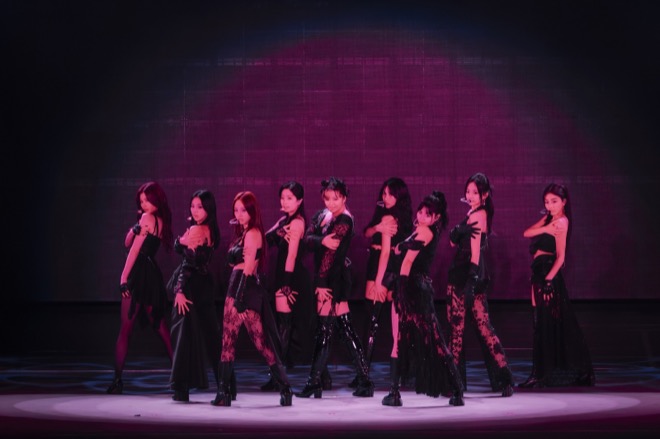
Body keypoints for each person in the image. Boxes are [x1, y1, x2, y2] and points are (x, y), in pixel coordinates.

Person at [295, 177, 374, 399]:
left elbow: (329, 256)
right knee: (344, 329)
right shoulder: (322, 215)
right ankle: (364, 381)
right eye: (327, 198)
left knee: (325, 331)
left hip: (333, 279)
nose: (331, 202)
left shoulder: (345, 220)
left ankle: (314, 382)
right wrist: (320, 240)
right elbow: (305, 240)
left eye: (336, 198)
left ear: (344, 198)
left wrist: (321, 284)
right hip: (328, 277)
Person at [212, 191, 293, 407]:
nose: (239, 214)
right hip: (239, 286)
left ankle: (225, 393)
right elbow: (235, 263)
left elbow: (248, 268)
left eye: (243, 210)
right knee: (242, 342)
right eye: (236, 210)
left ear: (252, 211)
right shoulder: (246, 232)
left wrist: (239, 297)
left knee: (246, 342)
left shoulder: (253, 233)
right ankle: (283, 389)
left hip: (242, 287)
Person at [385, 190, 464, 407]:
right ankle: (395, 392)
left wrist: (401, 289)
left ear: (436, 217)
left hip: (413, 289)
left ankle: (396, 393)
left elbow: (408, 262)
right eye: (420, 211)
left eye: (427, 214)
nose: (421, 215)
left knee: (430, 339)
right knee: (410, 339)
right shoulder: (421, 230)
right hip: (412, 287)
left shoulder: (425, 232)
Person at [446, 172, 514, 397]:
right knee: (474, 328)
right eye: (468, 191)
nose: (470, 195)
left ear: (484, 195)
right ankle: (503, 378)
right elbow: (452, 241)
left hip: (467, 274)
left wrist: (470, 282)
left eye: (475, 192)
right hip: (464, 272)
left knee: (462, 329)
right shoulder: (474, 213)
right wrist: (459, 230)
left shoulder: (477, 215)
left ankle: (457, 383)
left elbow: (474, 253)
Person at [520, 183, 595, 388]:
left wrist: (548, 280)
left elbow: (561, 257)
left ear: (564, 202)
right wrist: (546, 227)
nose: (550, 205)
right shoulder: (549, 219)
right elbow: (527, 233)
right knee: (539, 323)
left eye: (554, 201)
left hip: (547, 274)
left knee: (546, 325)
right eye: (546, 202)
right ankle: (539, 373)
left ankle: (543, 374)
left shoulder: (562, 222)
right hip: (538, 273)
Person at [107, 181, 174, 394]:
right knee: (161, 327)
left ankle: (117, 381)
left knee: (125, 330)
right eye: (141, 201)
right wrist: (134, 228)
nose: (144, 204)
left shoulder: (147, 218)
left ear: (157, 200)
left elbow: (134, 250)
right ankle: (180, 376)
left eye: (147, 200)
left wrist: (123, 278)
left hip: (138, 273)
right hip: (151, 274)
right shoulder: (160, 221)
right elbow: (128, 242)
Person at [351, 177, 413, 388]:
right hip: (395, 267)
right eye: (384, 193)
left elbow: (385, 252)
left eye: (390, 194)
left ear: (399, 197)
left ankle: (363, 374)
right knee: (395, 323)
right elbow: (367, 232)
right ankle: (400, 372)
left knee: (372, 322)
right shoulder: (394, 215)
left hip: (382, 266)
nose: (386, 198)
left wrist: (378, 280)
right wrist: (377, 227)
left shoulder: (389, 217)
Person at [169, 189, 222, 402]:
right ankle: (227, 385)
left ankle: (181, 388)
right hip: (204, 284)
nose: (195, 210)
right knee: (212, 336)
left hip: (190, 285)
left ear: (209, 208)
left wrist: (179, 290)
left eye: (200, 207)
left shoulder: (197, 229)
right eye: (193, 206)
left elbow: (188, 263)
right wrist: (181, 241)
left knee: (183, 336)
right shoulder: (211, 229)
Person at [260, 181, 313, 391]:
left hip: (292, 279)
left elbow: (291, 257)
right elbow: (265, 239)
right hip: (284, 276)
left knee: (287, 328)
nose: (285, 202)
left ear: (300, 201)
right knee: (287, 327)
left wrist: (286, 285)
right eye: (282, 197)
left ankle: (278, 378)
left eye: (289, 198)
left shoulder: (297, 223)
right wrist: (279, 232)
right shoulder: (284, 221)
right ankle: (281, 376)